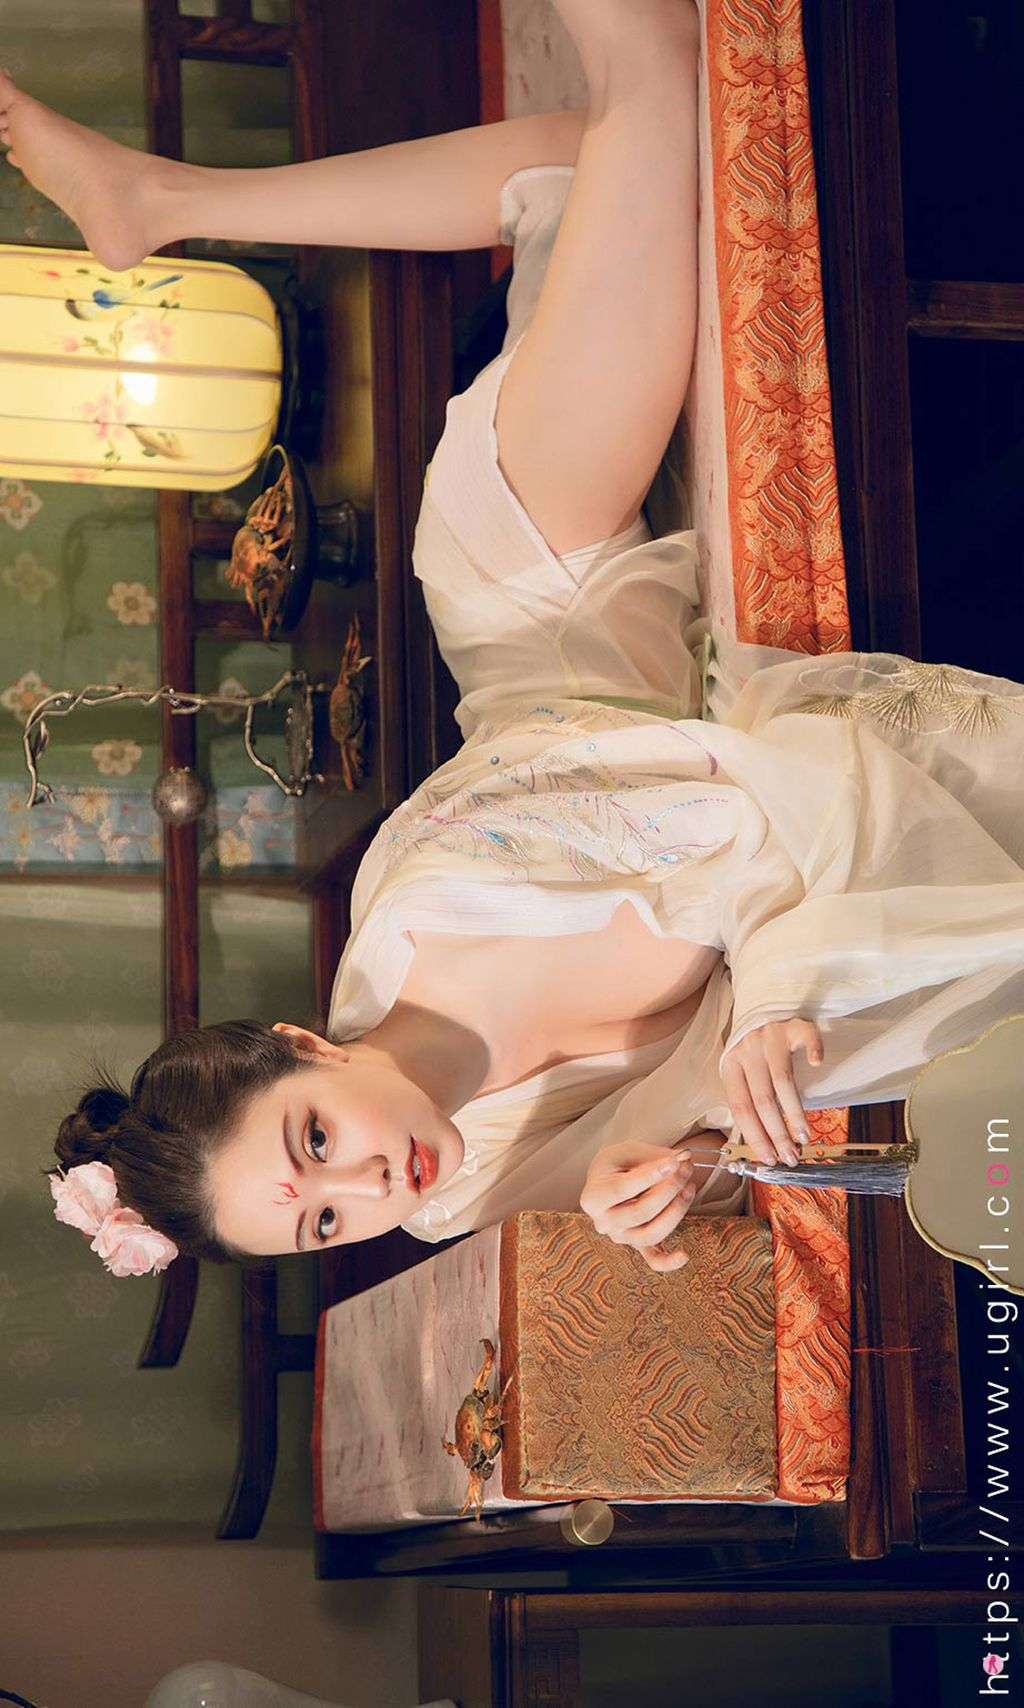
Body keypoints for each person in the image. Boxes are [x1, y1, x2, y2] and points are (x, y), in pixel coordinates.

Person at [16, 0, 1022, 1283]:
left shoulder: (449, 891)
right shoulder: (461, 1192)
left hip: (537, 581)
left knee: (659, 77)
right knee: (576, 156)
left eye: (315, 1138)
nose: (368, 1186)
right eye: (323, 1220)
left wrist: (774, 1001)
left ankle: (162, 200)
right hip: (588, 675)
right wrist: (666, 1177)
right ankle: (159, 200)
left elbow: (775, 793)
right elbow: (732, 1121)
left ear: (307, 1044)